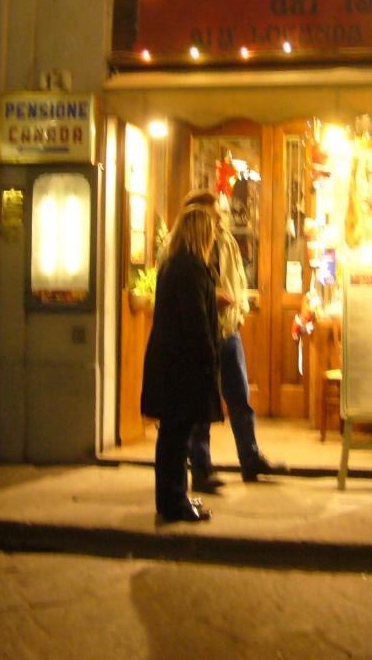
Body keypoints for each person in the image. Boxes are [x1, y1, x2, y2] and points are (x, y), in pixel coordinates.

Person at [180, 190, 285, 491]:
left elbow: (237, 276)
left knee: (240, 397)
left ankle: (250, 459)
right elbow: (183, 288)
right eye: (214, 216)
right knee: (202, 404)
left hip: (228, 332)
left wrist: (241, 310)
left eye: (220, 216)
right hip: (202, 334)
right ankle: (202, 469)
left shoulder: (225, 240)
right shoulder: (181, 244)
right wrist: (212, 299)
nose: (219, 221)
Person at [140, 206, 223, 523]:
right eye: (211, 232)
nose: (213, 238)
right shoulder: (190, 268)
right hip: (182, 369)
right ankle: (173, 502)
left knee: (175, 435)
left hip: (172, 365)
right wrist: (209, 358)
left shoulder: (176, 265)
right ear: (200, 232)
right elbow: (195, 321)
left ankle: (174, 497)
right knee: (176, 437)